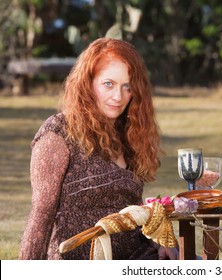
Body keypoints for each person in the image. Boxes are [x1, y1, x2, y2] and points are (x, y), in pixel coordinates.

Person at [19, 38, 178, 260]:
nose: (118, 97)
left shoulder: (128, 132)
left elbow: (129, 209)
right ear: (88, 83)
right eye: (108, 84)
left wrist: (158, 240)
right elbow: (41, 217)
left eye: (128, 86)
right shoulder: (59, 133)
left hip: (138, 256)